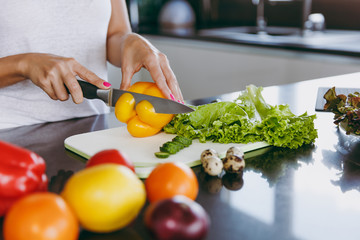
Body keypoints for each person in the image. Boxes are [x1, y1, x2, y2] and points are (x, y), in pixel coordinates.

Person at [0, 0, 183, 129]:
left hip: (92, 128)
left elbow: (114, 34)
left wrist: (130, 41)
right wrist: (23, 64)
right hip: (13, 132)